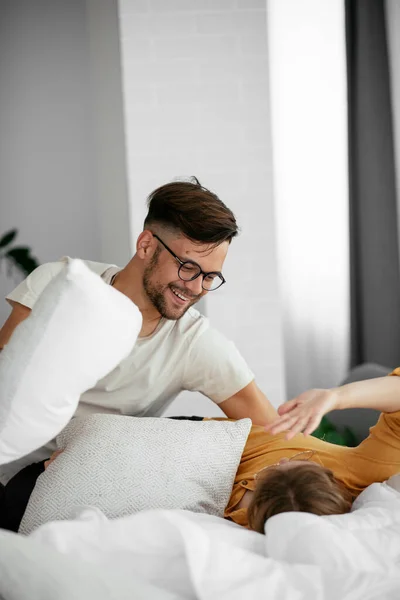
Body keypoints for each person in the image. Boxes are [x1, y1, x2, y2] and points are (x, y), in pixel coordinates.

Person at [0, 178, 277, 426]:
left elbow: (273, 431)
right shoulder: (59, 282)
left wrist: (322, 398)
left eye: (209, 276)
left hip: (98, 472)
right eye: (188, 267)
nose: (195, 288)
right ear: (146, 245)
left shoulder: (192, 343)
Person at [2, 372, 400, 534]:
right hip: (198, 437)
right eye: (293, 463)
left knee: (18, 506)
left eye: (264, 483)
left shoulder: (256, 527)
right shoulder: (366, 471)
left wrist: (96, 464)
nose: (277, 464)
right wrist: (335, 398)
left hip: (174, 477)